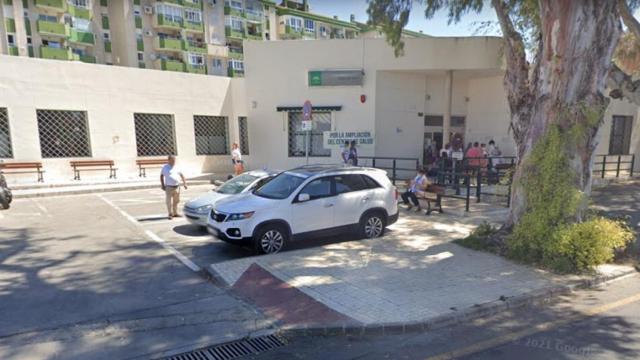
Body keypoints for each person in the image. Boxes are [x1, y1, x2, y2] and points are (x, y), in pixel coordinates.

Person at [160, 155, 188, 220]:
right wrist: (162, 185)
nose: (173, 162)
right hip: (169, 187)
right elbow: (161, 176)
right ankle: (170, 214)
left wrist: (185, 183)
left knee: (176, 201)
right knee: (168, 201)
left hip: (177, 187)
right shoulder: (165, 167)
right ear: (168, 160)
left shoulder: (177, 167)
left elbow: (181, 175)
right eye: (172, 160)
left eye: (174, 160)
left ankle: (175, 213)